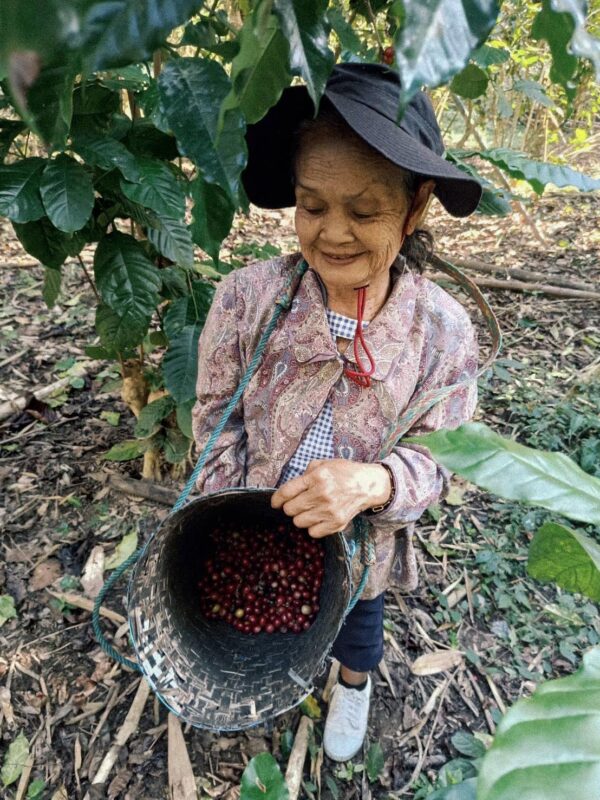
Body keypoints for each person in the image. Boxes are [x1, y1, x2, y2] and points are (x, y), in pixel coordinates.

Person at [191, 63, 483, 761]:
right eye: (311, 205)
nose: (333, 233)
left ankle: (353, 684)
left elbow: (450, 456)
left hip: (361, 544)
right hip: (253, 520)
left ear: (415, 208)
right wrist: (236, 511)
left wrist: (374, 483)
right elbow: (214, 420)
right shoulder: (247, 300)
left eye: (364, 210)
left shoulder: (442, 333)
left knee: (358, 621)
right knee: (261, 607)